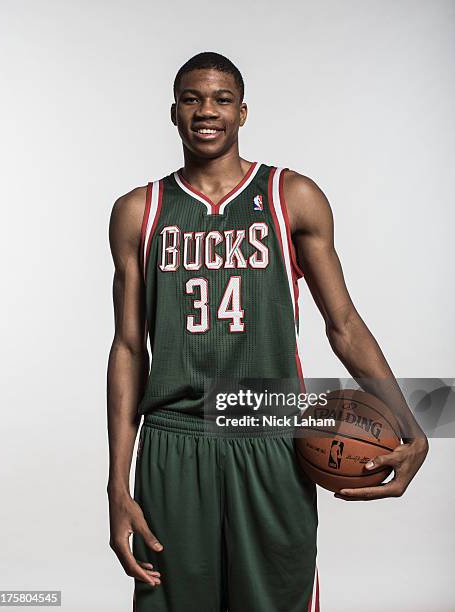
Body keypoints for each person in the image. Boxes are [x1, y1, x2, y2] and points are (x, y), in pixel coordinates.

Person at [107, 51, 428, 612]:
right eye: (192, 99)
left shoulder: (290, 196)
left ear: (243, 112)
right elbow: (130, 347)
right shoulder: (140, 210)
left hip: (271, 435)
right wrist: (116, 482)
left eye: (222, 99)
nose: (207, 111)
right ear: (174, 112)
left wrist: (412, 424)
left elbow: (344, 325)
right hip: (172, 442)